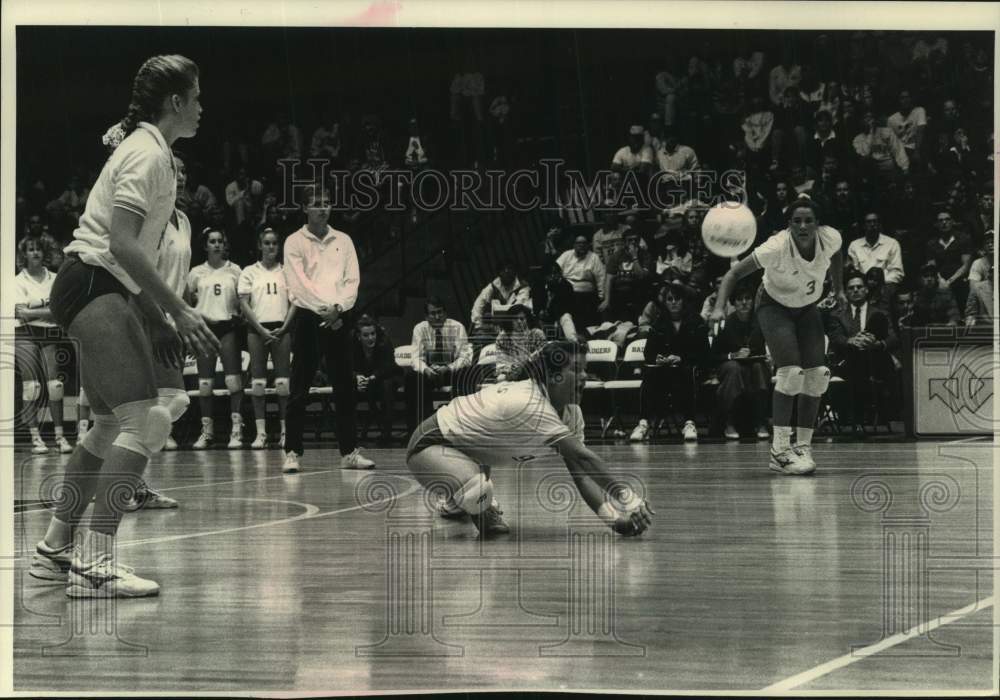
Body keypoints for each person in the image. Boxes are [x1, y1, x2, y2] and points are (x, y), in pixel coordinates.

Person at [29, 55, 217, 599]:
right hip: (92, 282)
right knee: (148, 422)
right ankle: (96, 561)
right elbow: (122, 245)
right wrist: (177, 311)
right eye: (197, 97)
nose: (203, 108)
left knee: (110, 425)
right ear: (175, 102)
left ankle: (54, 550)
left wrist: (155, 315)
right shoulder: (148, 156)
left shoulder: (153, 151)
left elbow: (129, 256)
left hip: (98, 287)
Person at [406, 340, 654, 538]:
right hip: (429, 445)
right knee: (477, 491)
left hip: (471, 451)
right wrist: (629, 499)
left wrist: (616, 522)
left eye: (586, 369)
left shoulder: (571, 414)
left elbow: (581, 473)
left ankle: (453, 502)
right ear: (553, 376)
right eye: (576, 369)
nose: (584, 377)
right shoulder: (530, 403)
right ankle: (468, 498)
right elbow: (583, 457)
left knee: (473, 488)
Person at [711, 197, 846, 475]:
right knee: (791, 373)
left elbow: (837, 255)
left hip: (807, 305)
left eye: (809, 220)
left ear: (818, 223)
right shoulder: (776, 247)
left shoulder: (830, 238)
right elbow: (734, 273)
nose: (803, 226)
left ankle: (803, 446)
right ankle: (779, 450)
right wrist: (718, 307)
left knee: (817, 375)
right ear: (789, 225)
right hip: (774, 306)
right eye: (796, 221)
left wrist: (839, 288)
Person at [282, 186, 374, 474]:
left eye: (327, 203)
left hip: (339, 316)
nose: (323, 208)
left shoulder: (343, 240)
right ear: (305, 209)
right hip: (309, 318)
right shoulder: (294, 242)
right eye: (316, 204)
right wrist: (327, 310)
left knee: (344, 387)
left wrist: (339, 310)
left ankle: (349, 452)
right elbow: (298, 285)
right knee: (300, 386)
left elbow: (352, 280)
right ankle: (293, 452)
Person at [187, 228, 245, 449]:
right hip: (205, 329)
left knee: (233, 381)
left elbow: (243, 301)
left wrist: (239, 314)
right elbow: (188, 299)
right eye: (212, 241)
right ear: (205, 246)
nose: (217, 245)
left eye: (220, 241)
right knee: (204, 384)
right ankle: (207, 431)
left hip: (227, 327)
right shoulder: (196, 273)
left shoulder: (235, 270)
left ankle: (237, 430)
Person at [630, 282, 709, 443]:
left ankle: (689, 423)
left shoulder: (696, 321)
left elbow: (705, 353)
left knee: (687, 371)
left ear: (683, 301)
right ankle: (643, 423)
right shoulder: (659, 323)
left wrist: (682, 358)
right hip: (665, 371)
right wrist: (657, 359)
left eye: (677, 299)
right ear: (665, 302)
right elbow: (648, 353)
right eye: (669, 299)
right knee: (649, 374)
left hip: (692, 370)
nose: (673, 302)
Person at [14, 236, 72, 454]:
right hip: (24, 333)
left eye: (38, 249)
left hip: (49, 332)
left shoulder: (55, 279)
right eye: (30, 249)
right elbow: (21, 314)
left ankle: (60, 436)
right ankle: (36, 438)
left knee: (55, 386)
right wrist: (46, 308)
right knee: (31, 388)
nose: (35, 253)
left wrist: (33, 309)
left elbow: (60, 313)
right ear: (24, 254)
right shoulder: (16, 281)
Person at [238, 228, 295, 449]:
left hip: (282, 328)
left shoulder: (287, 272)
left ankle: (285, 432)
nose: (271, 247)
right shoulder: (249, 272)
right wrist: (261, 330)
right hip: (257, 330)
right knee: (258, 383)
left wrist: (285, 327)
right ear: (260, 245)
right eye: (267, 243)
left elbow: (295, 303)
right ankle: (260, 433)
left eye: (274, 243)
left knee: (283, 384)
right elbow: (244, 304)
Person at [823, 271, 897, 430]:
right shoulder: (837, 315)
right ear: (846, 292)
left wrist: (876, 344)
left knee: (873, 341)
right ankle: (858, 414)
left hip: (875, 361)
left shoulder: (879, 313)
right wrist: (851, 341)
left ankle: (861, 415)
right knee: (856, 356)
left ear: (866, 290)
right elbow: (835, 337)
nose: (855, 290)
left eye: (859, 287)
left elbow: (892, 338)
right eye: (851, 288)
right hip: (847, 362)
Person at [710, 284, 770, 440]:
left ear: (752, 302)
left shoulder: (761, 322)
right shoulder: (725, 324)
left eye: (747, 299)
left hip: (754, 363)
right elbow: (714, 355)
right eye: (739, 299)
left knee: (758, 368)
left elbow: (765, 349)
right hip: (729, 364)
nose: (744, 302)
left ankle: (761, 422)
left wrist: (766, 356)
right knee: (733, 368)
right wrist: (733, 355)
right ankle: (729, 423)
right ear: (734, 303)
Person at [407, 297, 475, 428]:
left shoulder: (457, 327)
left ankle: (463, 425)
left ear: (445, 313)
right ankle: (420, 427)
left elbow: (465, 357)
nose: (437, 316)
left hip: (451, 372)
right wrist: (426, 370)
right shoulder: (419, 329)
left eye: (440, 312)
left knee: (467, 374)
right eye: (433, 313)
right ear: (426, 316)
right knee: (412, 379)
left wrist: (448, 368)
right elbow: (416, 358)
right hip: (429, 372)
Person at [353, 314, 404, 445]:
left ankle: (386, 434)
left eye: (373, 334)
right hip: (364, 379)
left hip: (387, 376)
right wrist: (356, 377)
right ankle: (351, 436)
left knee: (386, 387)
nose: (371, 338)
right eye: (366, 335)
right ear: (359, 337)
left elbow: (389, 366)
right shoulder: (352, 345)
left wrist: (372, 377)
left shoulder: (384, 342)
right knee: (347, 388)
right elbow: (347, 365)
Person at [847, 212, 904, 297]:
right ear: (864, 226)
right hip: (862, 289)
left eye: (875, 221)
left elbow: (897, 272)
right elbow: (853, 272)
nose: (872, 224)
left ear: (880, 225)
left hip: (885, 287)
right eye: (868, 222)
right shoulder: (854, 245)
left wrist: (879, 282)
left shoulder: (892, 243)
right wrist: (865, 284)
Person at [469, 261, 532, 333]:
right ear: (499, 273)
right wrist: (479, 326)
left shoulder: (523, 287)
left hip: (518, 328)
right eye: (503, 271)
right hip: (496, 329)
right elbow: (478, 306)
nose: (506, 272)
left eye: (509, 270)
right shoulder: (493, 286)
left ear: (515, 272)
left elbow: (517, 309)